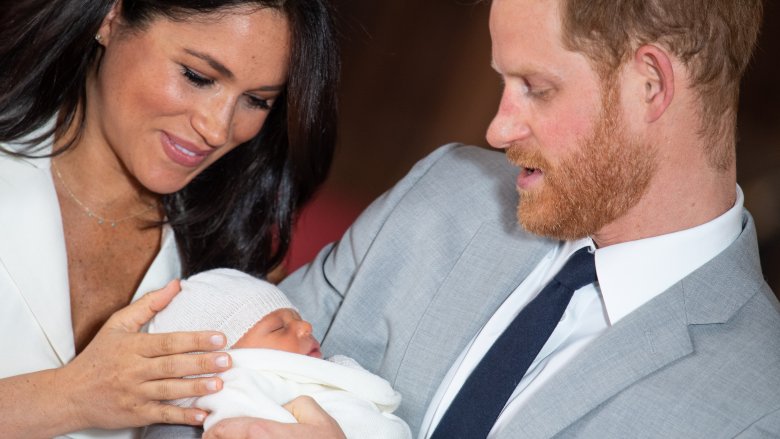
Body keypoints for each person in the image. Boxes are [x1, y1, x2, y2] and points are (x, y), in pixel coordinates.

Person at [186, 0, 780, 437]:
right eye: (504, 81)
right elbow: (186, 394)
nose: (498, 130)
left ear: (650, 84)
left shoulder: (761, 406)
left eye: (535, 87)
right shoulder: (444, 192)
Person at [0, 0, 338, 437]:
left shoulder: (237, 260)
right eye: (198, 76)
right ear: (111, 17)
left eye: (257, 100)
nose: (218, 129)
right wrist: (69, 396)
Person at [143, 268, 412, 439]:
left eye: (298, 318)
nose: (306, 326)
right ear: (219, 361)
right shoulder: (236, 387)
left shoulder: (320, 377)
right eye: (280, 327)